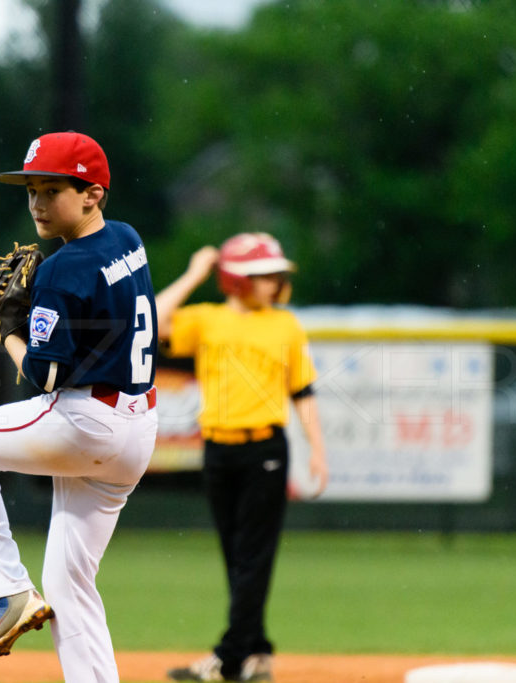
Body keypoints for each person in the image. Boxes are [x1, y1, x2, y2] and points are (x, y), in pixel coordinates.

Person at [0, 131, 159, 683]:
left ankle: (8, 590)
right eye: (31, 190)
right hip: (139, 427)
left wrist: (7, 327)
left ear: (92, 194)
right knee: (68, 585)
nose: (37, 203)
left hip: (87, 422)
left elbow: (43, 374)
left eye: (52, 189)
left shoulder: (63, 269)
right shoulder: (128, 238)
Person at [156, 233, 328, 683]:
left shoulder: (285, 325)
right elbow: (152, 322)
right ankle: (258, 651)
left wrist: (318, 449)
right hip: (218, 449)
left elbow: (303, 391)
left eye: (274, 274)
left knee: (253, 555)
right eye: (262, 275)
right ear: (235, 280)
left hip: (265, 450)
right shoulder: (207, 320)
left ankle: (228, 657)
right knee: (238, 556)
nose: (274, 282)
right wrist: (195, 272)